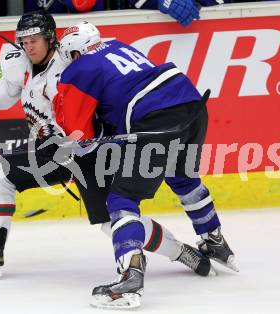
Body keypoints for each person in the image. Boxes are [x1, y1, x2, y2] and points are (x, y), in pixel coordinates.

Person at [0, 10, 214, 280]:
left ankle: (180, 252)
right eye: (24, 40)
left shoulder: (72, 65)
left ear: (50, 38)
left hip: (87, 150)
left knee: (110, 220)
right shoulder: (15, 63)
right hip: (52, 151)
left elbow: (100, 109)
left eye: (34, 39)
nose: (28, 46)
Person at [55, 21, 237, 308]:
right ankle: (214, 239)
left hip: (156, 120)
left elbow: (80, 134)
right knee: (183, 178)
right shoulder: (115, 45)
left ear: (73, 53)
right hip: (190, 103)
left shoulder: (79, 68)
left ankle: (130, 279)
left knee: (122, 199)